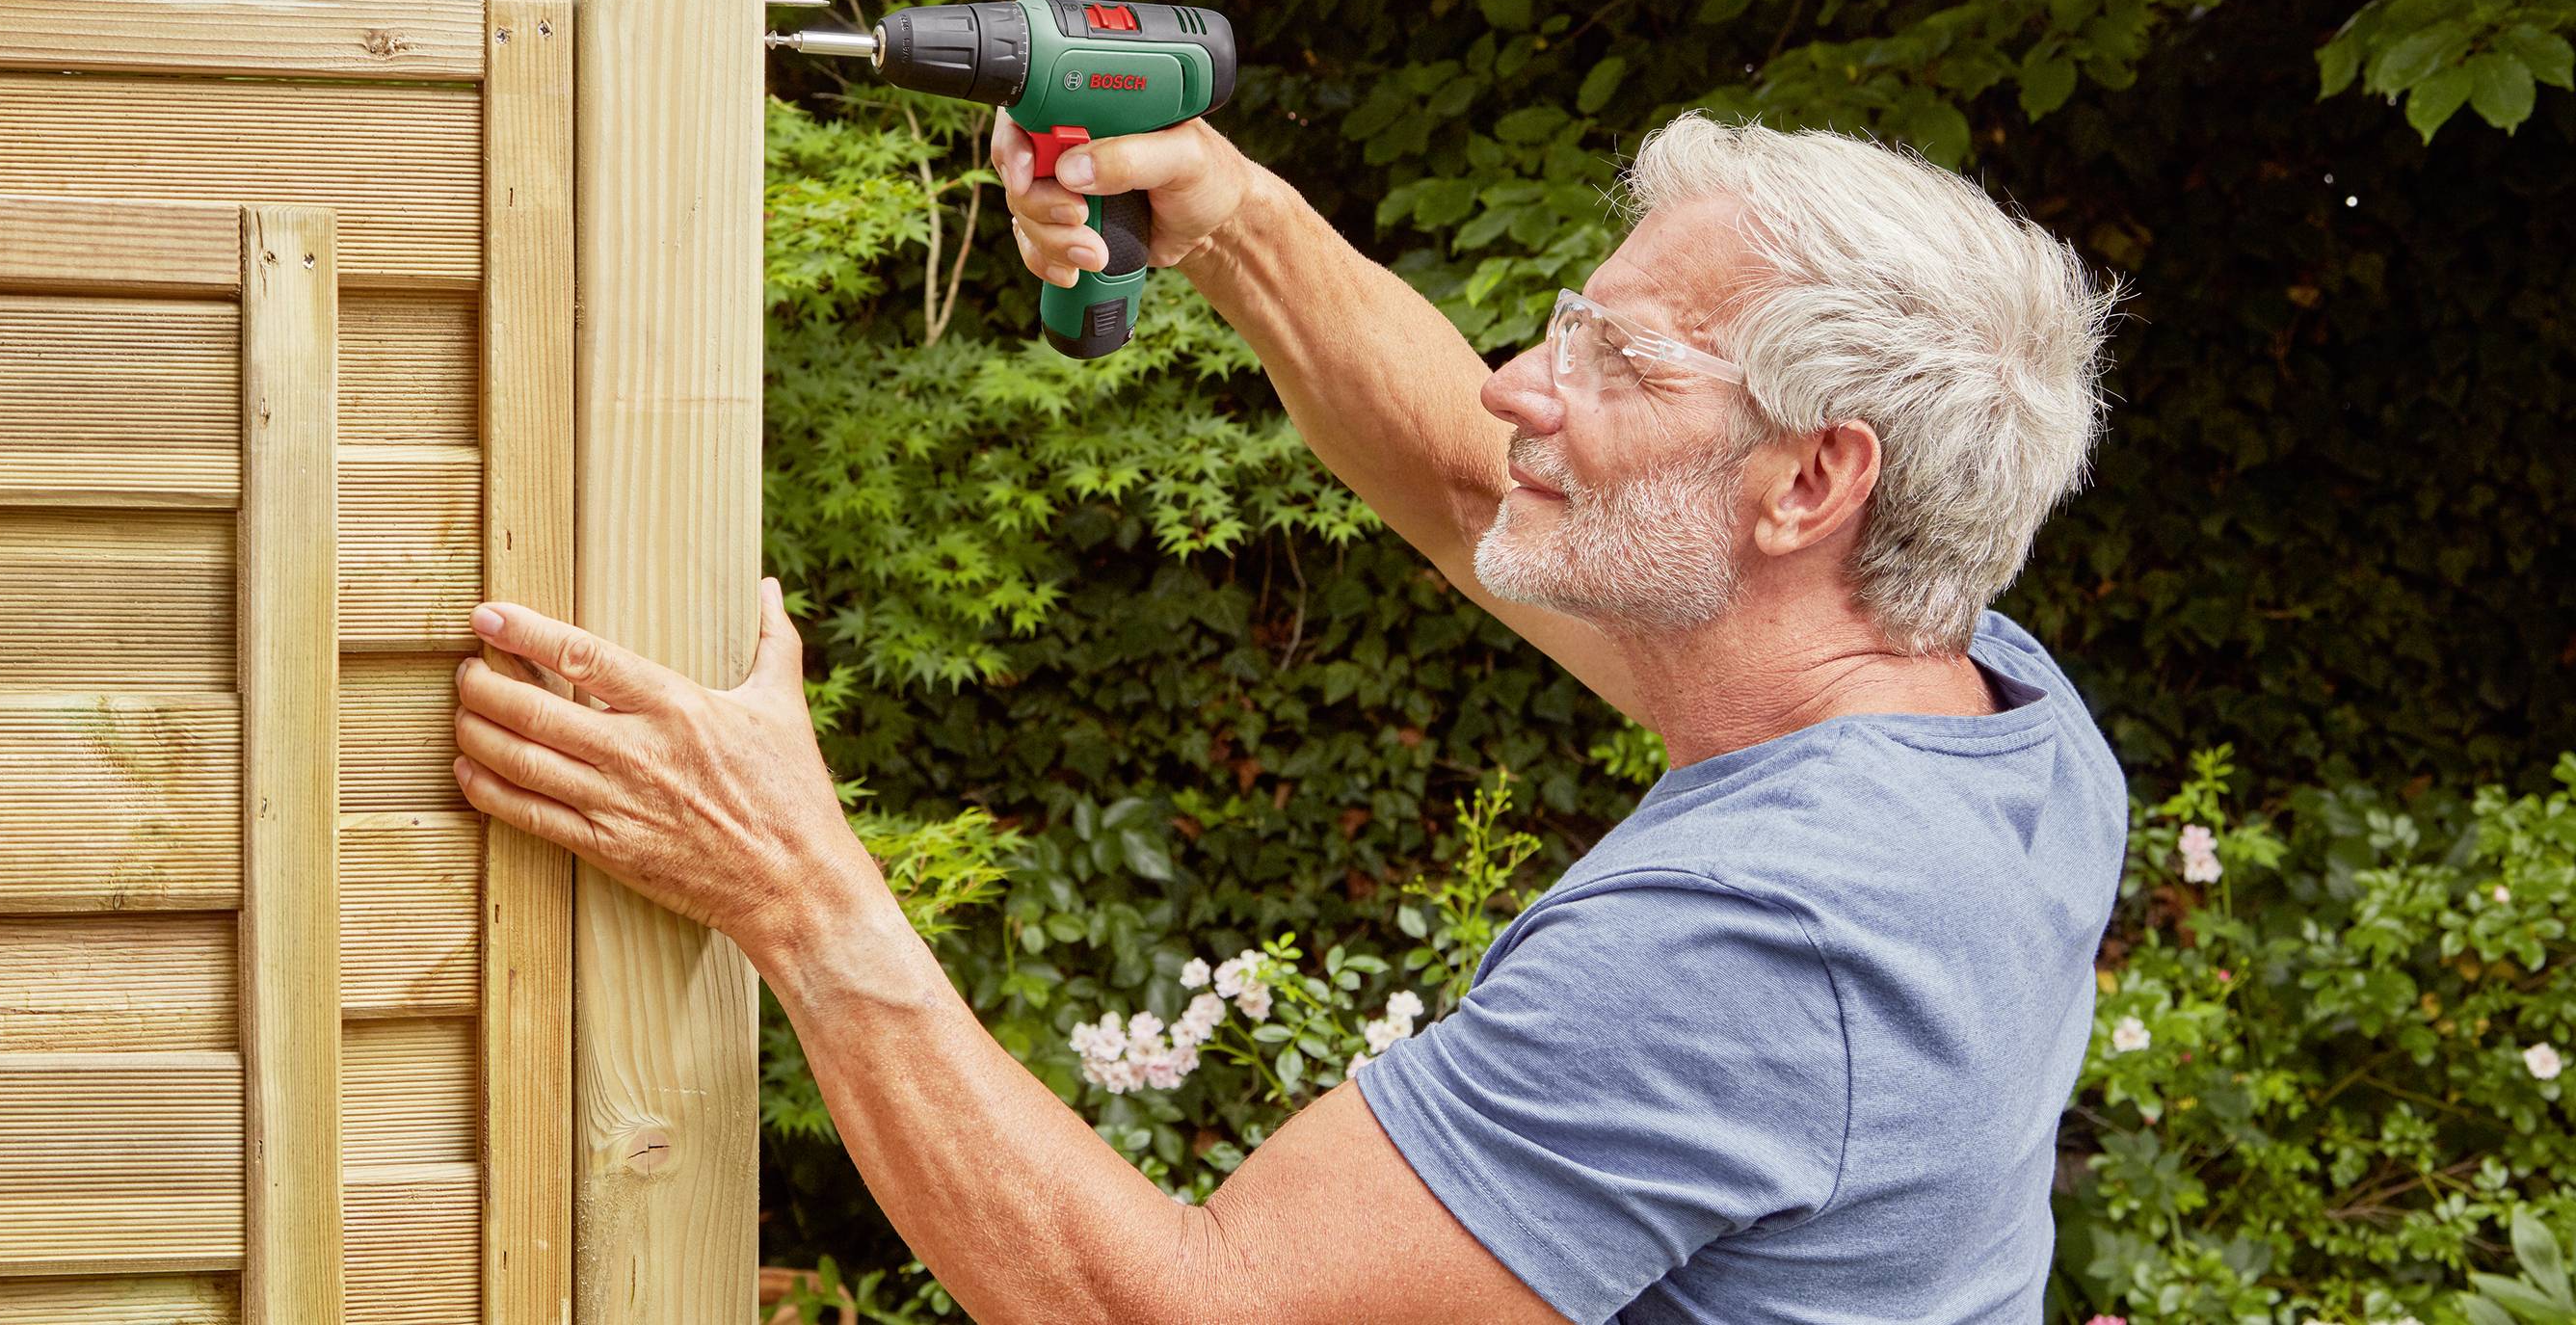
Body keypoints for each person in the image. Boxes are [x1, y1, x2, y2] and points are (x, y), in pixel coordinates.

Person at [449, 109, 2130, 1323]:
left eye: (1620, 365)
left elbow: (1184, 1318)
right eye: (1566, 328)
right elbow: (1476, 474)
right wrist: (1229, 215)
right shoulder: (1993, 717)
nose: (1520, 385)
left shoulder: (1764, 940)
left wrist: (790, 888)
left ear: (1814, 478)